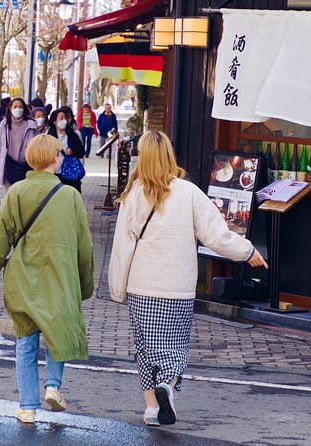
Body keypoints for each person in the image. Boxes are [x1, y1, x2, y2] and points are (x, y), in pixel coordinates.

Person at [108, 131, 267, 427]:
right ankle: (167, 385)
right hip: (177, 286)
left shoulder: (133, 194)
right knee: (174, 346)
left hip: (142, 285)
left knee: (145, 349)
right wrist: (247, 252)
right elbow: (216, 235)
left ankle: (152, 408)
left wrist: (117, 287)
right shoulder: (188, 192)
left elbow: (122, 245)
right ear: (169, 155)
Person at [0, 134, 94, 425]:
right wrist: (85, 285)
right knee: (57, 334)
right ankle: (52, 386)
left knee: (26, 343)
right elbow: (85, 247)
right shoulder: (70, 196)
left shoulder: (16, 192)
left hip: (23, 278)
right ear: (56, 158)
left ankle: (27, 407)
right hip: (60, 278)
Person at [0, 97, 37, 192]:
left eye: (20, 107)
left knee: (22, 196)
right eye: (15, 106)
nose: (18, 109)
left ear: (24, 109)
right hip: (7, 166)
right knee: (9, 195)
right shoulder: (4, 124)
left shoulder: (30, 125)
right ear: (10, 108)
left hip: (24, 167)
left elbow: (34, 148)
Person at [47, 106, 85, 193]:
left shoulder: (72, 134)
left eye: (64, 118)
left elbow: (81, 151)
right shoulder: (49, 136)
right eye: (61, 118)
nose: (64, 120)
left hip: (70, 172)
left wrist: (72, 151)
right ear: (54, 121)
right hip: (54, 173)